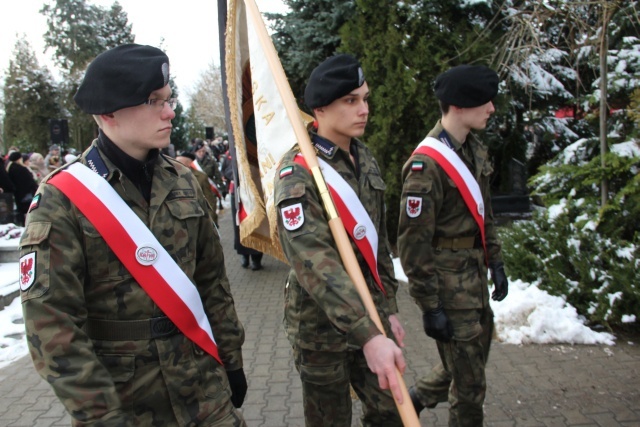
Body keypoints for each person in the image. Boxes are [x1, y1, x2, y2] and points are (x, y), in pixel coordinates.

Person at [19, 44, 247, 426]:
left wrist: (232, 358)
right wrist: (102, 415)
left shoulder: (185, 181)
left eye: (168, 99)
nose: (170, 111)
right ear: (108, 112)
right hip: (126, 401)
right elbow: (52, 327)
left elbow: (212, 284)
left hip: (204, 388)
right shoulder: (62, 200)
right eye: (154, 101)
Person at [274, 54, 406, 426]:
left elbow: (378, 246)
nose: (363, 109)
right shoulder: (298, 173)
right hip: (320, 328)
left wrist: (388, 309)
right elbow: (315, 262)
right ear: (320, 109)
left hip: (370, 317)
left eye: (365, 98)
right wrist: (367, 332)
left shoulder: (365, 159)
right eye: (351, 101)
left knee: (391, 413)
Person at [397, 64, 509, 426]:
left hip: (474, 280)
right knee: (470, 387)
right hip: (449, 288)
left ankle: (418, 397)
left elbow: (484, 214)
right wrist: (430, 306)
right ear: (459, 106)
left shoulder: (473, 149)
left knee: (469, 362)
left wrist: (497, 262)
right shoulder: (426, 167)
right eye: (483, 101)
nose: (491, 108)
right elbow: (413, 247)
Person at [175, 150, 219, 226]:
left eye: (179, 162)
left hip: (199, 219)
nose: (175, 164)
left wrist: (211, 221)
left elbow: (210, 200)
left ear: (188, 163)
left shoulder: (201, 177)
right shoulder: (173, 177)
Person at [6, 151, 38, 226]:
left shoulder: (10, 168)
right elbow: (29, 181)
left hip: (19, 194)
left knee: (22, 210)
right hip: (27, 193)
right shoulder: (21, 169)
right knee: (30, 209)